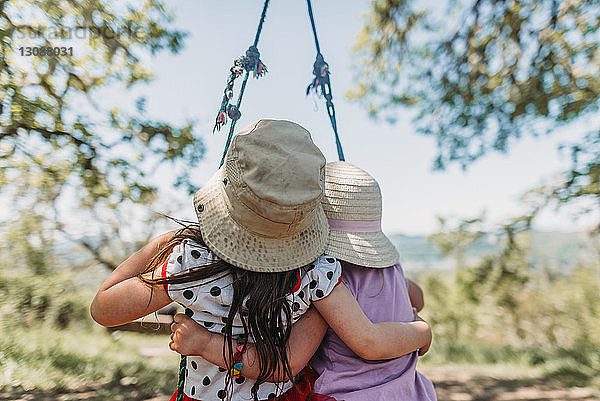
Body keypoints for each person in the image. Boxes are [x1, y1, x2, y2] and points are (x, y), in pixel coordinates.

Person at [90, 121, 432, 401]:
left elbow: (104, 310)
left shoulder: (190, 264)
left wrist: (159, 247)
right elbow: (287, 364)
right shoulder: (316, 274)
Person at [169, 161, 437, 401]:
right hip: (408, 390)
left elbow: (369, 343)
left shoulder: (327, 280)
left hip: (346, 394)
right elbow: (417, 297)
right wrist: (416, 325)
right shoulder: (392, 269)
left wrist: (424, 333)